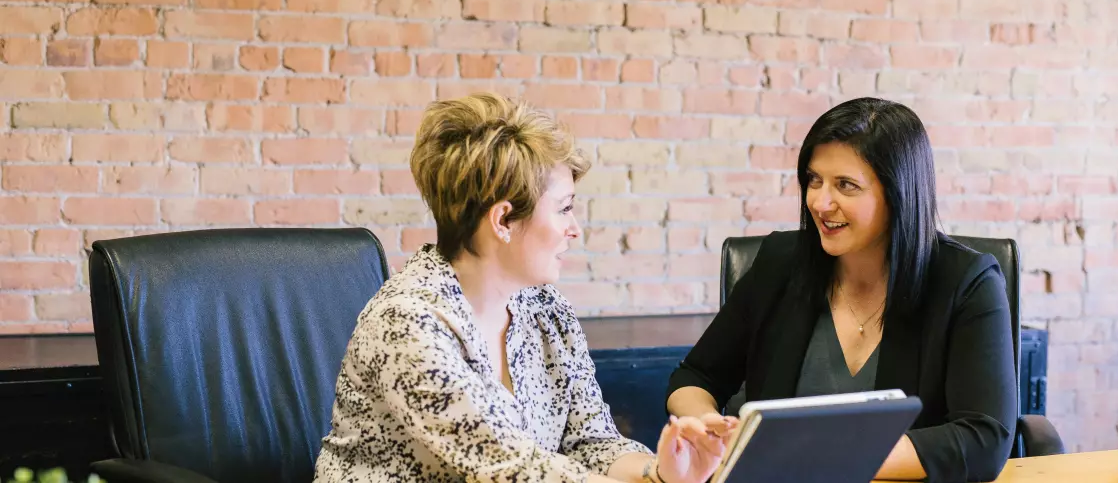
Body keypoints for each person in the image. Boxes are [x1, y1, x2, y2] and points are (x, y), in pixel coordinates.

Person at [314, 92, 725, 483]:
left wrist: (662, 472)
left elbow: (591, 443)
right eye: (564, 208)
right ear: (503, 221)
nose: (574, 229)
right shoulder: (407, 322)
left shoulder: (548, 310)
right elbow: (510, 469)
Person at [664, 97, 1018, 483]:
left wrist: (820, 457)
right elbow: (695, 377)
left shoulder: (967, 282)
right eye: (814, 180)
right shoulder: (781, 263)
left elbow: (985, 438)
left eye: (845, 185)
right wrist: (709, 427)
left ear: (898, 193)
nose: (819, 201)